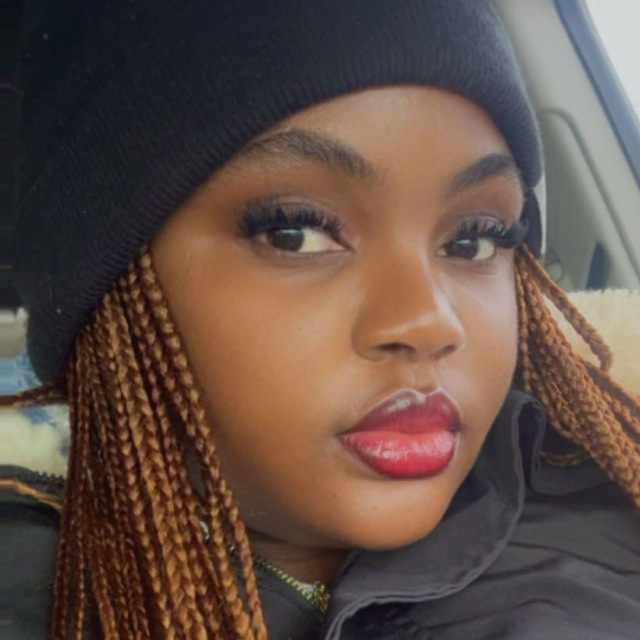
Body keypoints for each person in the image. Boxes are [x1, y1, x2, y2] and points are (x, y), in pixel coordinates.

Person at [3, 1, 640, 639]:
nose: (431, 322)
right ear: (106, 289)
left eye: (473, 239)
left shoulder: (607, 484)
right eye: (295, 233)